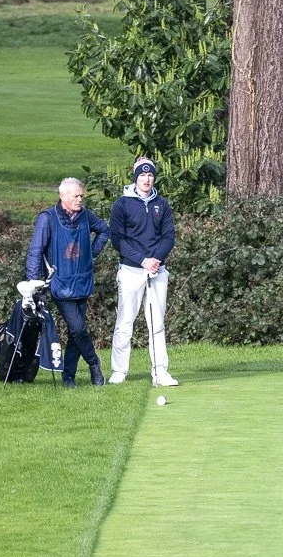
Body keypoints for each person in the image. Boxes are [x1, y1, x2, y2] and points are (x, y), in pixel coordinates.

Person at [25, 177, 109, 387]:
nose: (80, 199)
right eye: (76, 196)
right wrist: (34, 283)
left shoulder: (85, 216)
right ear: (63, 196)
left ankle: (68, 377)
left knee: (75, 333)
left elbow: (104, 230)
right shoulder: (48, 218)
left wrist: (92, 253)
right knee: (79, 329)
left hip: (82, 281)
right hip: (60, 284)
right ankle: (94, 363)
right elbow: (35, 251)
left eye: (82, 195)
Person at [107, 157, 179, 387]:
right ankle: (119, 370)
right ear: (135, 177)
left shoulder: (162, 204)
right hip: (131, 270)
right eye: (142, 175)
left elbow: (169, 237)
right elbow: (118, 240)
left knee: (157, 323)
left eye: (150, 175)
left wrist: (155, 259)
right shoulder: (122, 204)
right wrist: (143, 260)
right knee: (125, 322)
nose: (147, 179)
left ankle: (160, 372)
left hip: (157, 271)